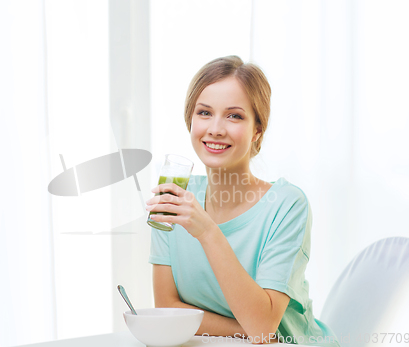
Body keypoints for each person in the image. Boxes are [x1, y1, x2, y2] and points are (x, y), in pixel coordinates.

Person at [146, 56, 340, 346]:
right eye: (204, 113)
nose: (215, 128)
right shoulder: (175, 199)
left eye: (234, 116)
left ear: (257, 130)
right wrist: (243, 327)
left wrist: (208, 231)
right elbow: (168, 309)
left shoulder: (286, 205)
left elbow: (262, 330)